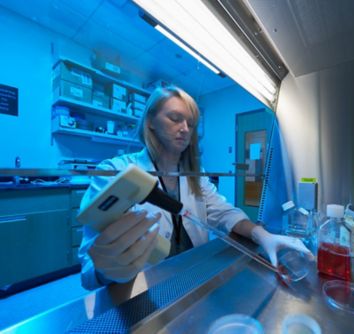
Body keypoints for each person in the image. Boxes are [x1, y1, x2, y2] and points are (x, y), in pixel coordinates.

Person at [78, 86, 312, 290]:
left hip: (192, 282)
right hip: (140, 291)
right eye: (174, 118)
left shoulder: (195, 180)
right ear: (150, 122)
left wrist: (263, 235)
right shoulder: (114, 172)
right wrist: (103, 271)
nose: (185, 129)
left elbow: (226, 213)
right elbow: (89, 268)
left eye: (190, 124)